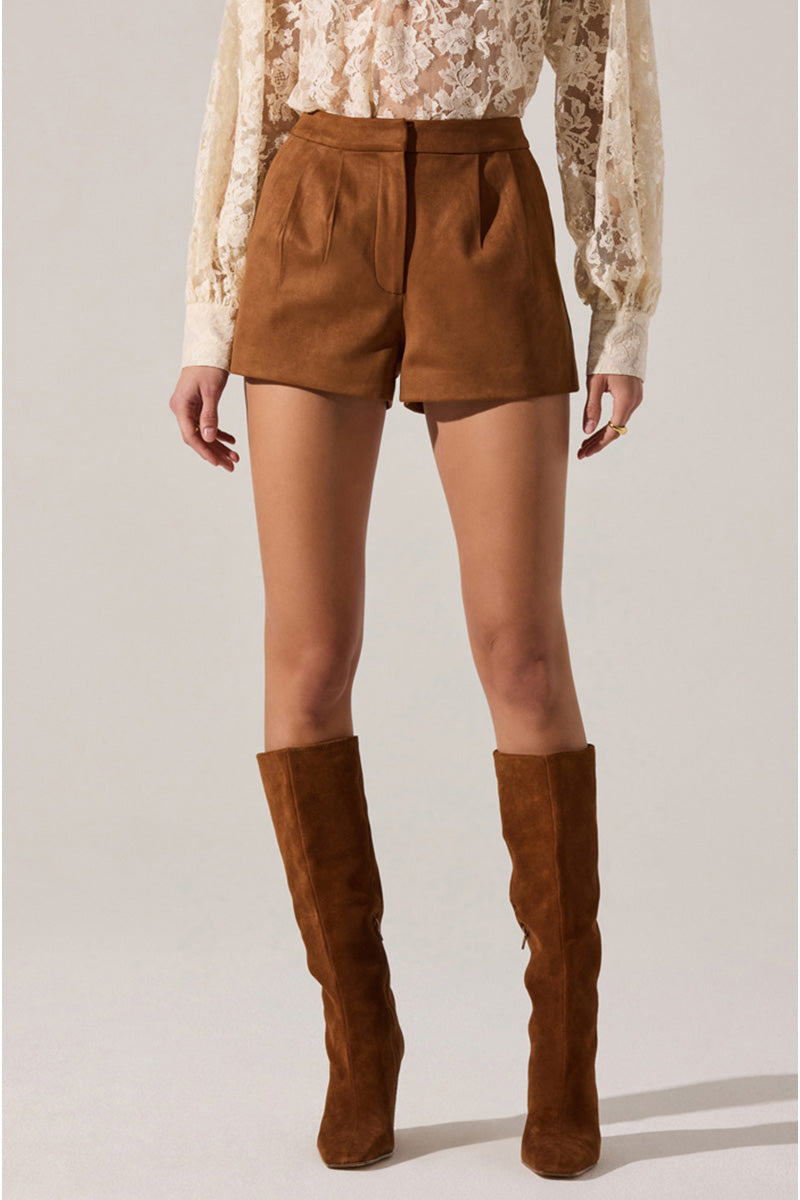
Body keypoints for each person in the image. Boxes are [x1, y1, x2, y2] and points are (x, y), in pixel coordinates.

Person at [168, 0, 664, 1180]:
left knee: (521, 655)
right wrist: (207, 317)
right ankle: (359, 1043)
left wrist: (618, 315)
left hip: (482, 208)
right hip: (313, 212)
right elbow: (255, 72)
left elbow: (601, 74)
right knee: (306, 660)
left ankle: (562, 1058)